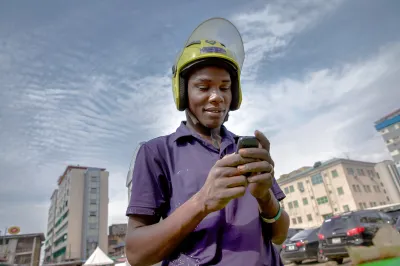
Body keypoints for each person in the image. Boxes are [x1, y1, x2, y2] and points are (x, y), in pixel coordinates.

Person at [125, 17, 289, 266]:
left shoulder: (248, 152)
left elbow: (280, 234)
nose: (217, 97)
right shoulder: (156, 153)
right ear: (183, 92)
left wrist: (265, 197)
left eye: (225, 87)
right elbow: (137, 254)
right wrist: (202, 202)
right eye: (203, 87)